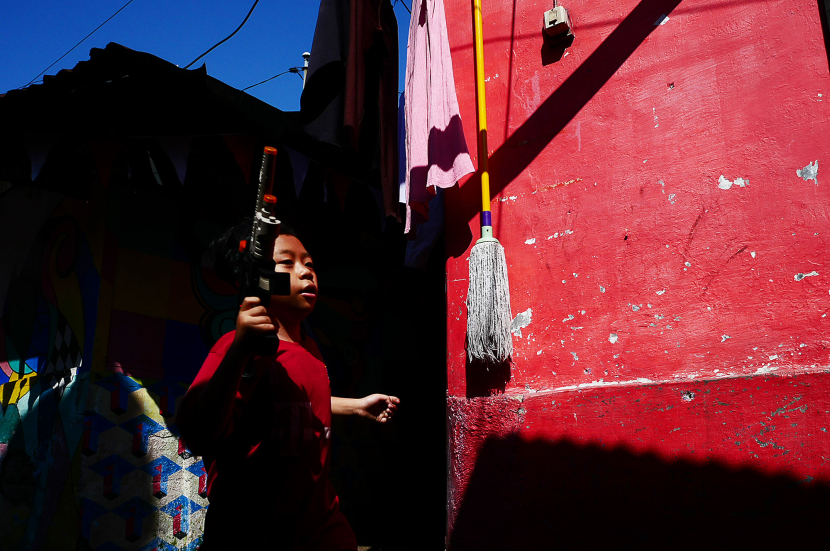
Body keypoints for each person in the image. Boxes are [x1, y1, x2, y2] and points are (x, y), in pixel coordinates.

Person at [176, 223, 399, 550]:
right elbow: (197, 432)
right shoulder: (234, 349)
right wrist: (239, 352)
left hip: (320, 531)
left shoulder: (310, 348)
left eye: (309, 264)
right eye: (288, 263)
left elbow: (293, 398)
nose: (306, 273)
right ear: (259, 277)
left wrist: (356, 406)